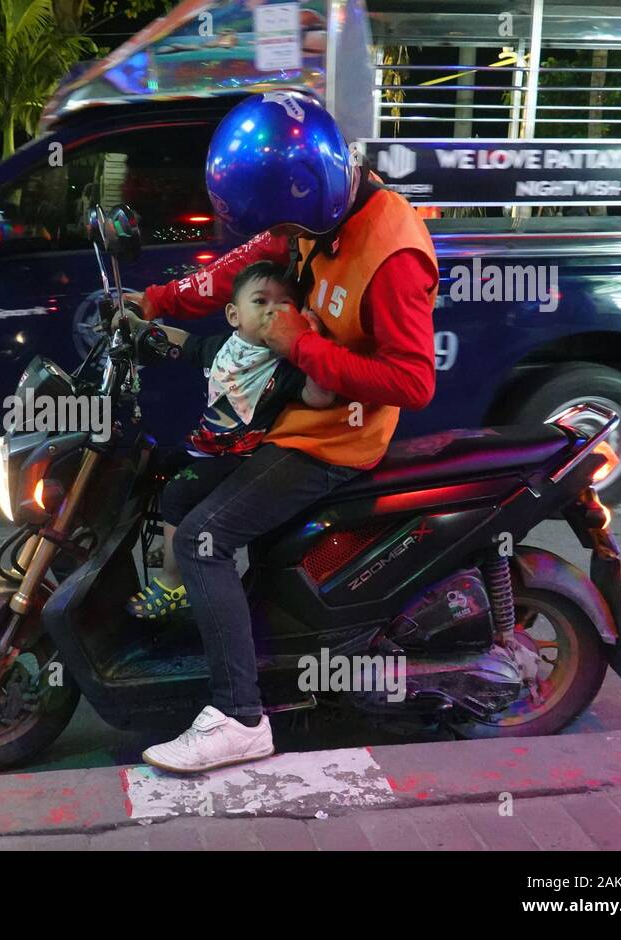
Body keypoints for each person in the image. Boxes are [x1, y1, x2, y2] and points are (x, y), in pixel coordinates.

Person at [132, 91, 439, 774]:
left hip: (334, 439)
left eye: (286, 225)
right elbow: (237, 269)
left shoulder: (392, 254)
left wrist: (300, 345)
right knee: (177, 496)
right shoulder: (311, 222)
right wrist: (155, 301)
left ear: (314, 194)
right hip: (286, 417)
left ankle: (240, 717)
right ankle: (239, 631)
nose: (283, 237)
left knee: (205, 540)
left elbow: (415, 382)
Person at [118, 260, 335, 620]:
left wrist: (313, 346)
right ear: (234, 315)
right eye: (261, 301)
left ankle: (175, 584)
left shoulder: (284, 364)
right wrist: (140, 327)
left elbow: (320, 397)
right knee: (152, 464)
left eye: (285, 304)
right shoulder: (223, 348)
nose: (273, 311)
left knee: (178, 492)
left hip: (239, 459)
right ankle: (172, 546)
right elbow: (186, 343)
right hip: (205, 445)